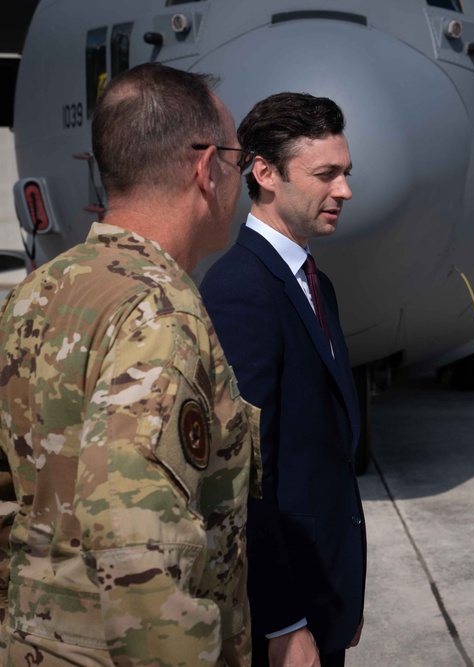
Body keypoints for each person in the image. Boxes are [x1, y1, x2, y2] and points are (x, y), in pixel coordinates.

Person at [0, 63, 257, 665]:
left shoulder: (37, 291)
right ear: (206, 170)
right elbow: (136, 537)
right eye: (239, 162)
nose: (241, 181)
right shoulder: (162, 314)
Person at [200, 92, 364, 667]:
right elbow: (244, 476)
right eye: (326, 175)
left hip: (321, 594)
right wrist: (284, 620)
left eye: (345, 173)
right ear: (264, 173)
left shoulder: (315, 282)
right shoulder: (241, 289)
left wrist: (342, 589)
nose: (343, 190)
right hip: (280, 614)